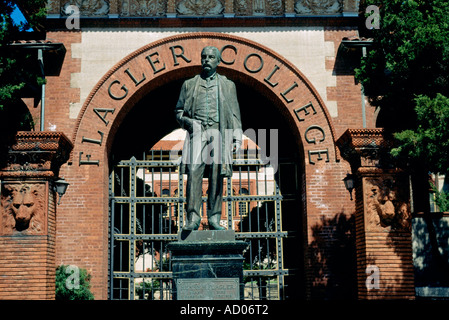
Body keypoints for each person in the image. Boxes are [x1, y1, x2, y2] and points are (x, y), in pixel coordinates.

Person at [175, 46, 242, 231]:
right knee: (194, 173)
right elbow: (178, 112)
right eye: (204, 56)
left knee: (216, 176)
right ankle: (193, 218)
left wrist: (236, 137)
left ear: (218, 61)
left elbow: (235, 114)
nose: (206, 60)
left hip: (219, 132)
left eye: (211, 57)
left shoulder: (228, 85)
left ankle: (214, 217)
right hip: (197, 133)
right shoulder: (189, 84)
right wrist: (188, 122)